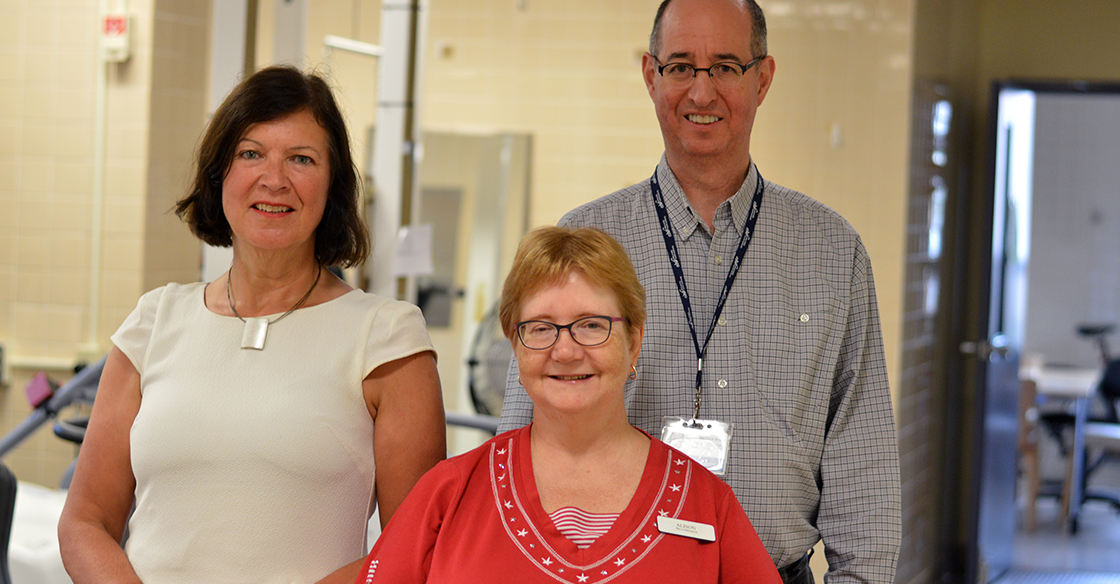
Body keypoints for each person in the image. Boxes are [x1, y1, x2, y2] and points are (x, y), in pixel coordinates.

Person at [498, 1, 901, 583]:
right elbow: (520, 440)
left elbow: (864, 474)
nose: (702, 92)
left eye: (727, 67)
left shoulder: (831, 251)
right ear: (650, 76)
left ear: (762, 78)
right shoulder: (585, 244)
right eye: (681, 66)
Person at [57, 65, 446, 584]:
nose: (274, 179)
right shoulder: (154, 321)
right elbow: (86, 521)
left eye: (302, 159)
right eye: (251, 153)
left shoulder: (386, 337)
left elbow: (415, 548)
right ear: (221, 174)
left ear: (333, 184)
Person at [354, 226, 781, 583]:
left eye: (591, 325)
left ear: (634, 341)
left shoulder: (707, 505)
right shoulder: (448, 495)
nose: (565, 351)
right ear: (514, 346)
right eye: (540, 328)